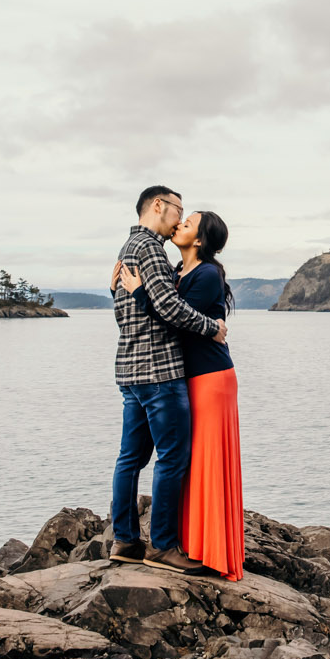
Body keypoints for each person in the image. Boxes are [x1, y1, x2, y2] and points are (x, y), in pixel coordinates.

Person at [116, 209, 244, 581]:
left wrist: (140, 292)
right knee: (189, 461)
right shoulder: (175, 271)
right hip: (185, 376)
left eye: (187, 224)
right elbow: (161, 311)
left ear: (200, 240)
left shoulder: (207, 274)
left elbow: (173, 317)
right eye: (180, 218)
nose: (179, 225)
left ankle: (208, 546)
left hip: (211, 376)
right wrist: (123, 290)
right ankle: (187, 541)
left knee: (202, 459)